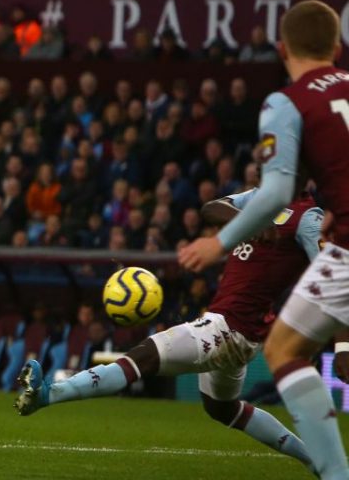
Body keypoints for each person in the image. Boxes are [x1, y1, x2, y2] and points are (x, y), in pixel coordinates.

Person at [16, 188, 320, 473]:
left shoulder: (308, 218)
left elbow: (338, 280)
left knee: (143, 357)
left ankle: (48, 395)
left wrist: (339, 344)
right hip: (237, 327)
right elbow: (211, 208)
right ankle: (317, 460)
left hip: (229, 328)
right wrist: (247, 221)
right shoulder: (260, 197)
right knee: (221, 408)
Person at [179, 0, 349, 479]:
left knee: (283, 349)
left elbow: (276, 189)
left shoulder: (287, 102)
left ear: (281, 49)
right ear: (337, 48)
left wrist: (220, 241)